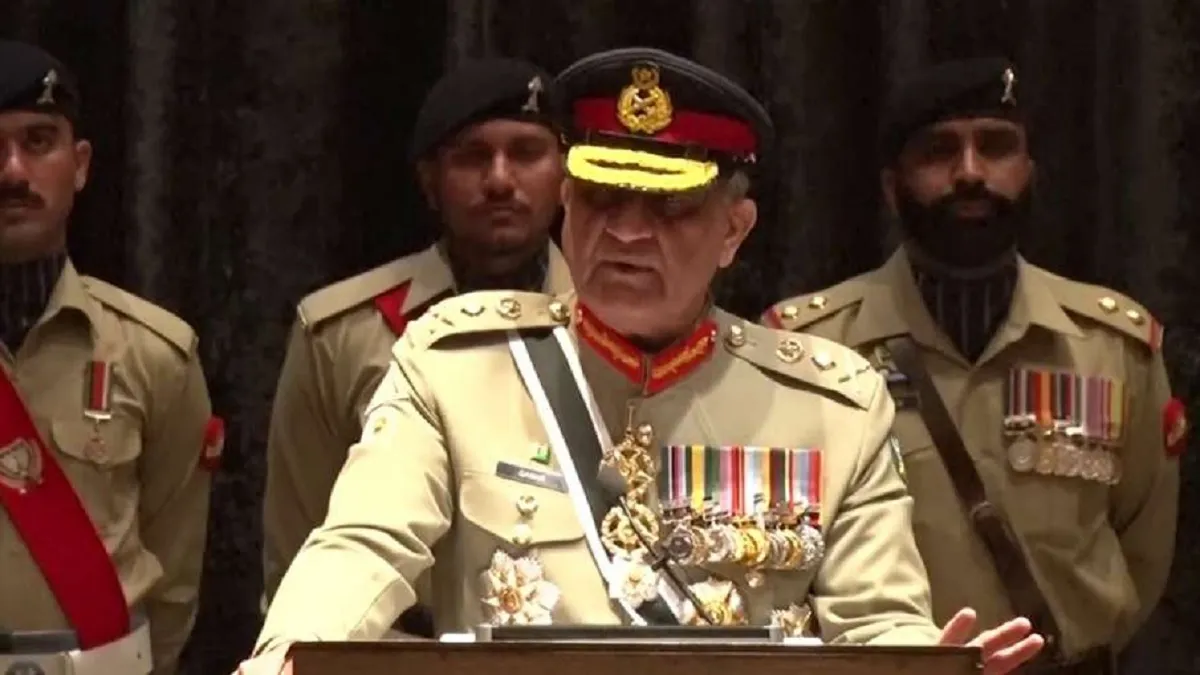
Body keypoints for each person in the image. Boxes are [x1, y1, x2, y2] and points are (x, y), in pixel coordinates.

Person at [235, 47, 1044, 675]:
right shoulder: (453, 363)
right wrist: (284, 655)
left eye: (669, 205)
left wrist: (928, 665)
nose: (626, 231)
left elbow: (877, 624)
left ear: (734, 231)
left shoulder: (834, 403)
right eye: (602, 197)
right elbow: (362, 544)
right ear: (565, 202)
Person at [762, 57, 1181, 673]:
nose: (970, 173)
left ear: (1030, 171)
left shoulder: (1112, 347)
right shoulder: (807, 350)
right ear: (892, 186)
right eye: (938, 151)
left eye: (995, 146)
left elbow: (1144, 548)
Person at [260, 57, 573, 636]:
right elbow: (298, 550)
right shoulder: (344, 334)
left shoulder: (612, 325)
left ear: (566, 175)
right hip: (391, 650)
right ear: (430, 182)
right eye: (472, 157)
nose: (500, 180)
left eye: (527, 153)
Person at [0, 40, 220, 675]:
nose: (12, 172)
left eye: (39, 142)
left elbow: (175, 574)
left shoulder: (156, 353)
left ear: (81, 165)